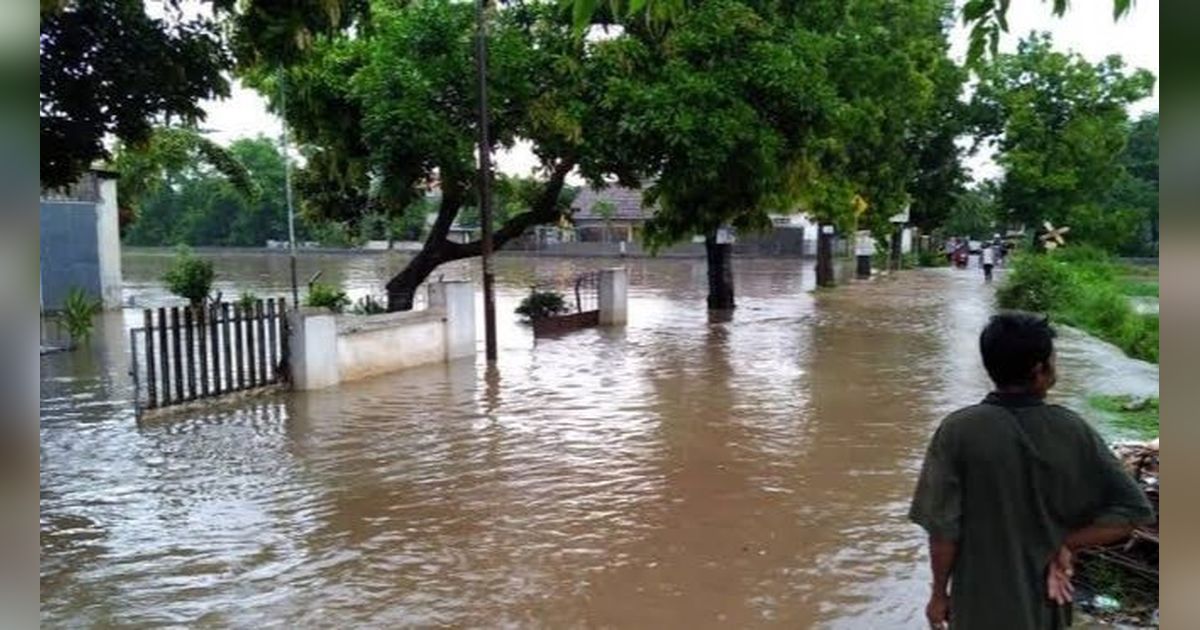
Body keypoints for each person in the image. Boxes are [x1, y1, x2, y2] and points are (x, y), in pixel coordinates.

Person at [909, 313, 1154, 629]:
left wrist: (939, 594)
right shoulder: (1072, 430)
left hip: (978, 604)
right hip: (1046, 601)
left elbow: (943, 530)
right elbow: (1134, 512)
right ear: (1039, 369)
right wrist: (1065, 543)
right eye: (1053, 358)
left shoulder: (958, 431)